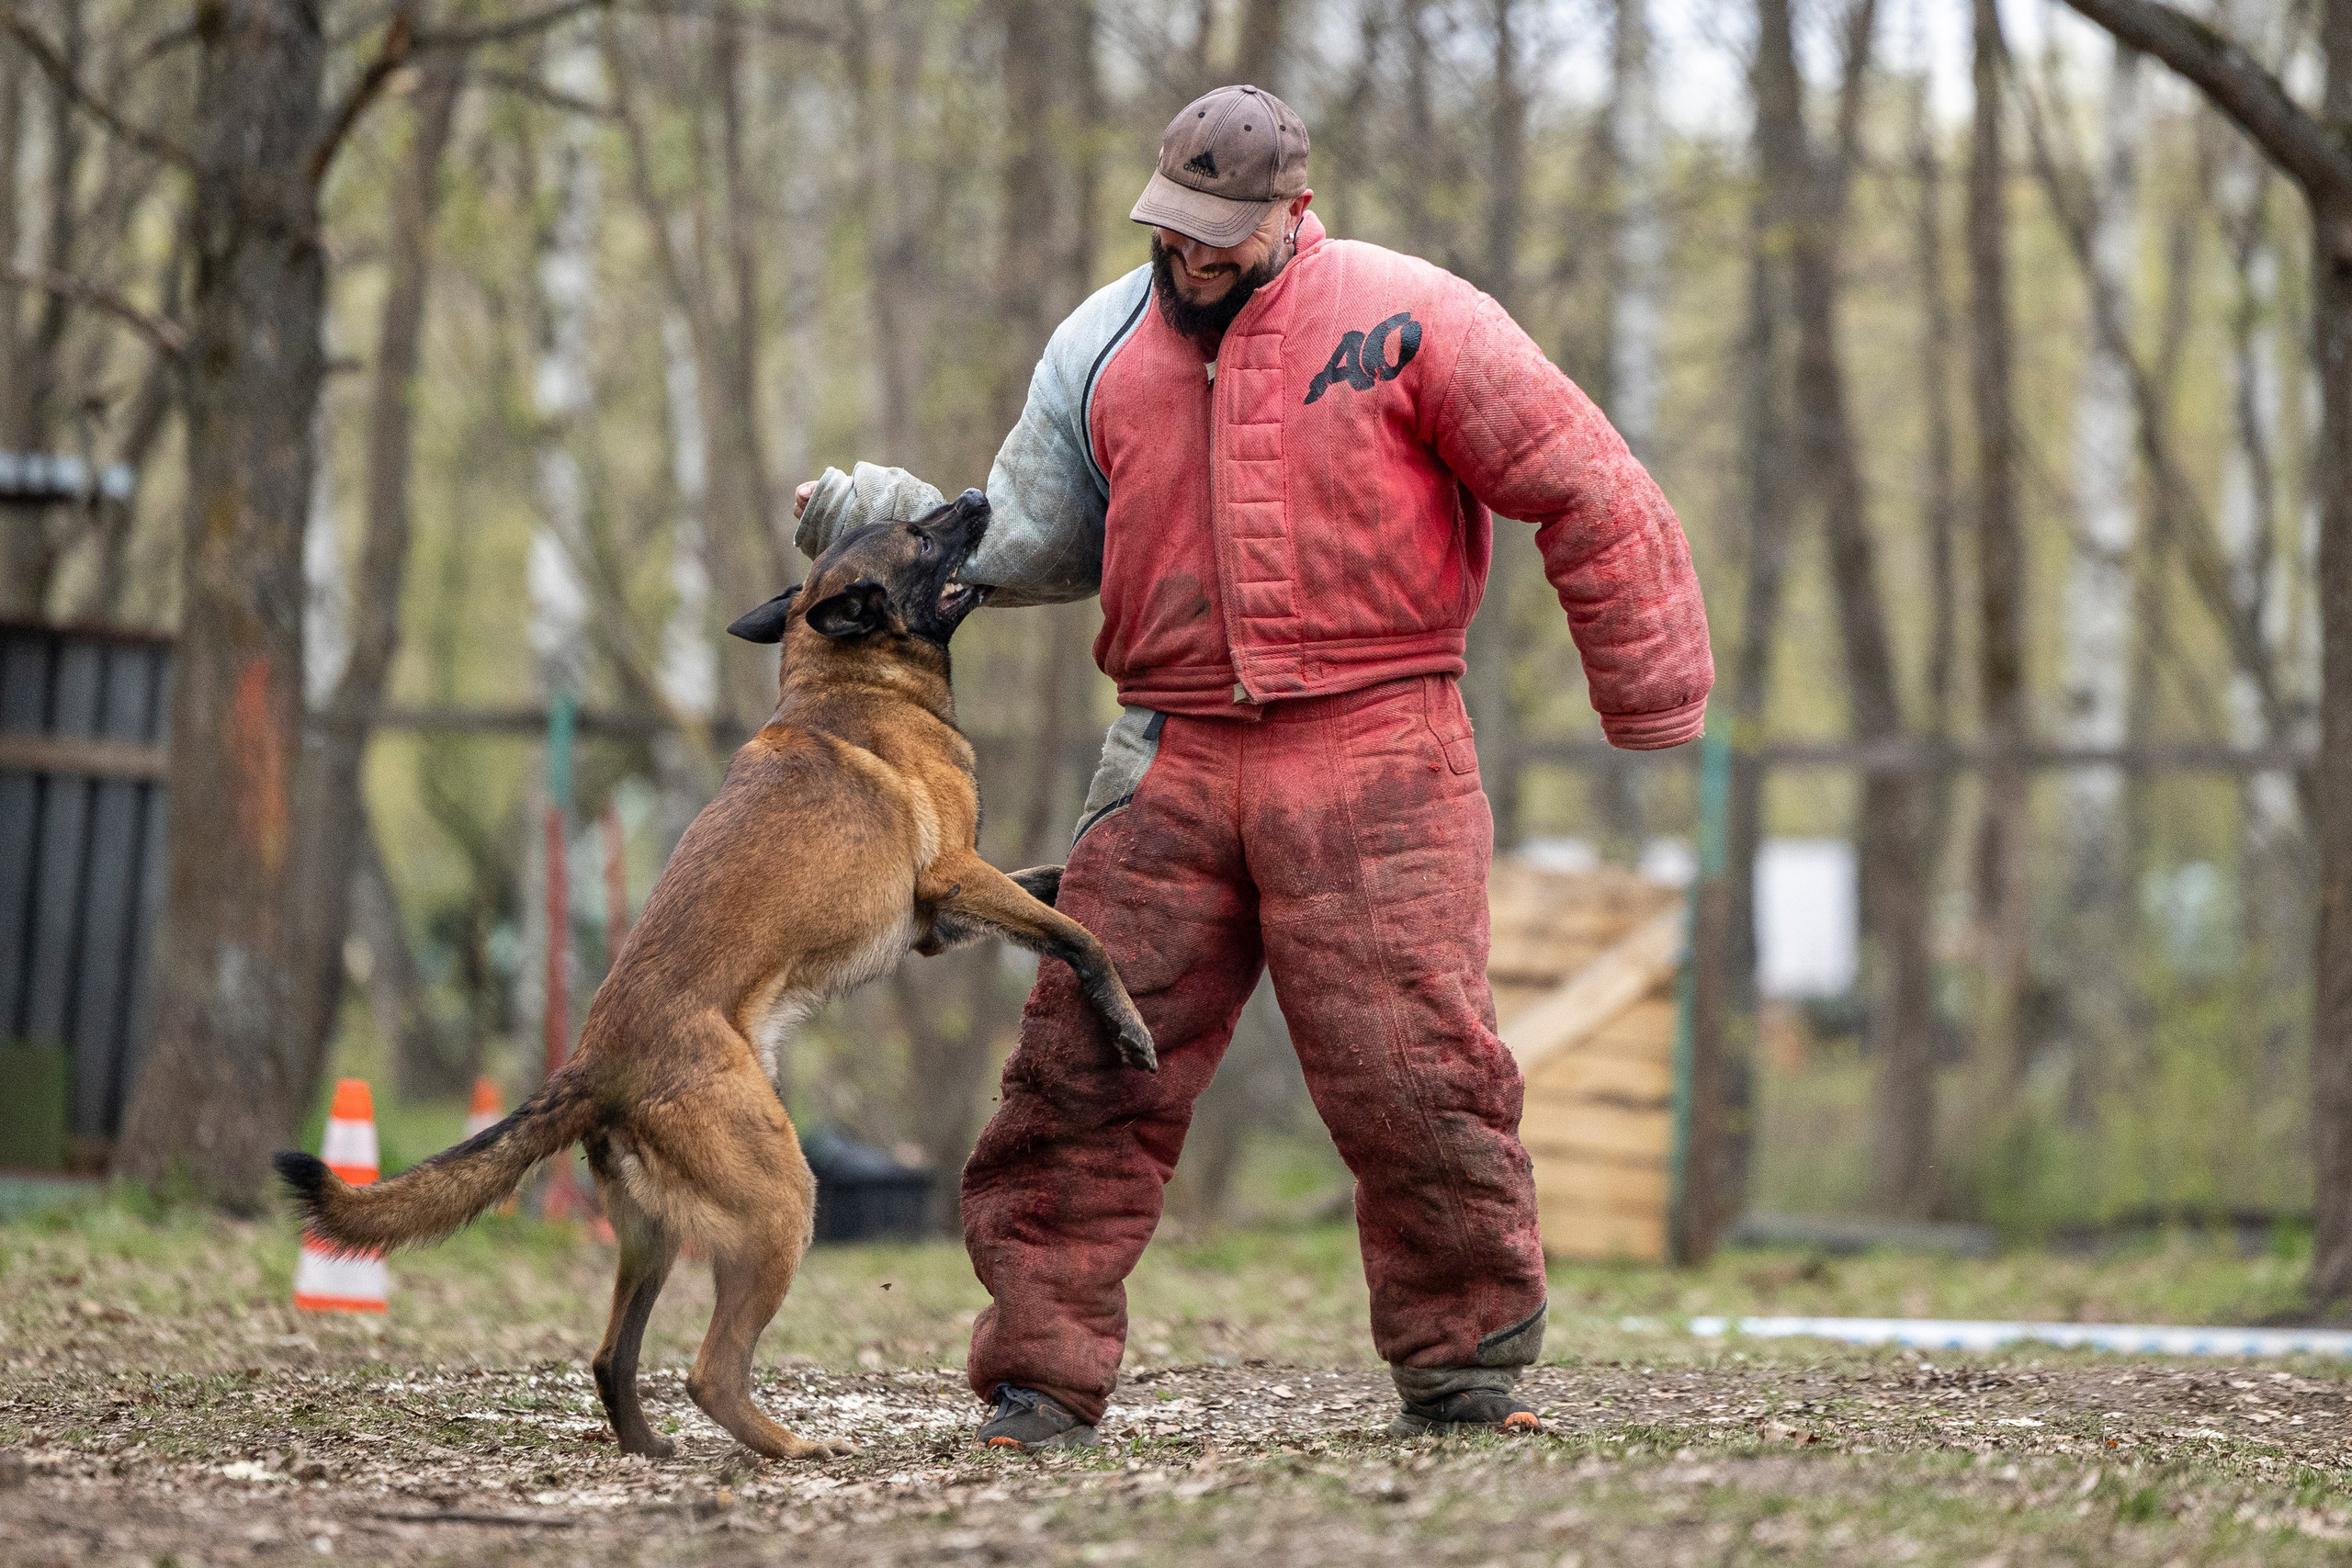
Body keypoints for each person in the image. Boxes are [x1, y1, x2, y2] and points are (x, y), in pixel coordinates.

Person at [793, 84, 1713, 1448]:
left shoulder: (1414, 317)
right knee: (1083, 1064)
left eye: (1226, 231)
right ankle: (1041, 1372)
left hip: (1381, 741)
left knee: (1413, 1070)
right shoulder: (1096, 344)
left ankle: (1463, 1369)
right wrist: (889, 520)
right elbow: (1034, 537)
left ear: (1293, 209)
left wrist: (1650, 699)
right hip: (1168, 742)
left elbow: (1588, 480)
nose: (1196, 254)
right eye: (1177, 226)